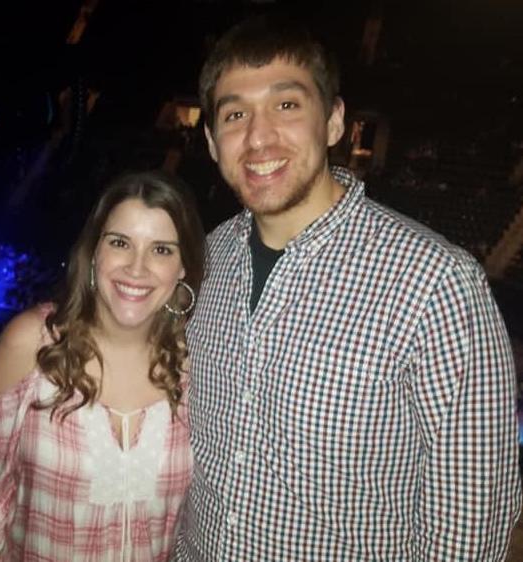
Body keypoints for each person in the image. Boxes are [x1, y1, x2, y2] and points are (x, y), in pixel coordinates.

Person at [173, 14, 522, 561]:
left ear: (334, 122)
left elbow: (469, 521)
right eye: (235, 114)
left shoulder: (437, 283)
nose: (258, 137)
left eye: (287, 105)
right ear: (213, 143)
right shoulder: (204, 260)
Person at [0, 169, 205, 561]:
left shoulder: (196, 364)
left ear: (183, 269)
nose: (137, 268)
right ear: (94, 252)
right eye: (120, 243)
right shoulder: (30, 345)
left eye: (161, 250)